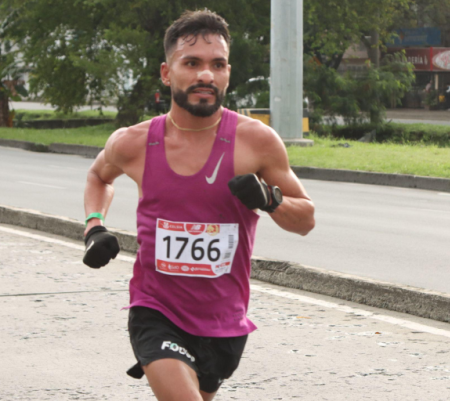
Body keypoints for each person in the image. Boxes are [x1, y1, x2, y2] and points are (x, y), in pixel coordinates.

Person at [82, 10, 315, 401]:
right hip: (155, 311)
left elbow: (305, 219)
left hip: (224, 322)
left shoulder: (255, 141)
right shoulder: (133, 142)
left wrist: (270, 199)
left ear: (227, 73)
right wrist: (94, 226)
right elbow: (98, 177)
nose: (206, 75)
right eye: (192, 63)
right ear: (167, 72)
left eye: (217, 64)